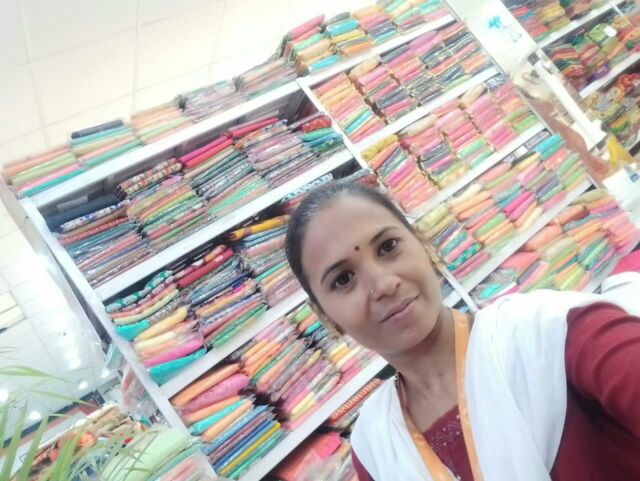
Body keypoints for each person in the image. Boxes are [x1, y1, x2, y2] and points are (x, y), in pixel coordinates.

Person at [284, 182, 640, 481]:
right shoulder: (375, 445)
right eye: (343, 279)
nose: (384, 284)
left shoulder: (554, 336)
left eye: (388, 247)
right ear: (326, 317)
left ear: (424, 246)